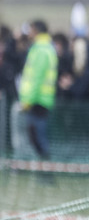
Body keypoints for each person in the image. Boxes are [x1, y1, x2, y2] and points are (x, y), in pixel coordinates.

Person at [17, 19, 58, 160]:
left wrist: (28, 101)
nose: (28, 33)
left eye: (31, 29)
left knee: (38, 137)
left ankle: (46, 170)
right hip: (40, 99)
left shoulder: (41, 49)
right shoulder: (42, 47)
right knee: (36, 136)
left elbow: (37, 78)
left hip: (38, 100)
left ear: (36, 31)